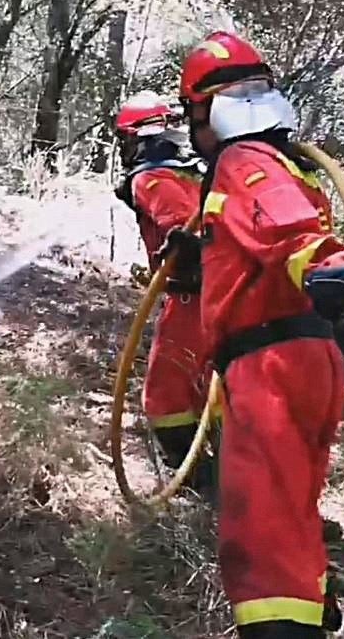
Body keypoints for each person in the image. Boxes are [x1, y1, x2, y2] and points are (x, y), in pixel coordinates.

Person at [164, 31, 344, 639]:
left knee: (261, 530)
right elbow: (259, 241)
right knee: (289, 510)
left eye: (196, 120)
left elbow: (288, 232)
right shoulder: (284, 166)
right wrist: (200, 255)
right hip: (305, 358)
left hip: (269, 363)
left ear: (208, 113)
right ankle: (311, 607)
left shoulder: (243, 161)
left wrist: (339, 283)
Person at [113, 91, 217, 497]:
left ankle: (198, 483)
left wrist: (183, 246)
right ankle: (234, 475)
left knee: (165, 394)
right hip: (227, 295)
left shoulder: (152, 177)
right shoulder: (196, 171)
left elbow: (180, 227)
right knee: (212, 387)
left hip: (193, 299)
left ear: (136, 137)